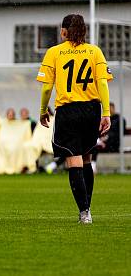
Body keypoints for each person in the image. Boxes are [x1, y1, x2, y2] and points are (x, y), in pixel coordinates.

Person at [38, 13, 113, 224]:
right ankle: (87, 209)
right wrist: (105, 112)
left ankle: (84, 212)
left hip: (68, 110)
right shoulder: (94, 51)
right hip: (91, 109)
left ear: (63, 31)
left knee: (74, 160)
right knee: (86, 157)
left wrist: (43, 109)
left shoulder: (54, 52)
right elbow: (103, 84)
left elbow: (46, 87)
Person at [0, 108, 31, 174]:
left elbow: (20, 134)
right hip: (3, 143)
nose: (10, 116)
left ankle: (14, 168)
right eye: (9, 114)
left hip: (15, 143)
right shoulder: (2, 122)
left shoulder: (21, 123)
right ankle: (0, 167)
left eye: (12, 114)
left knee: (14, 148)